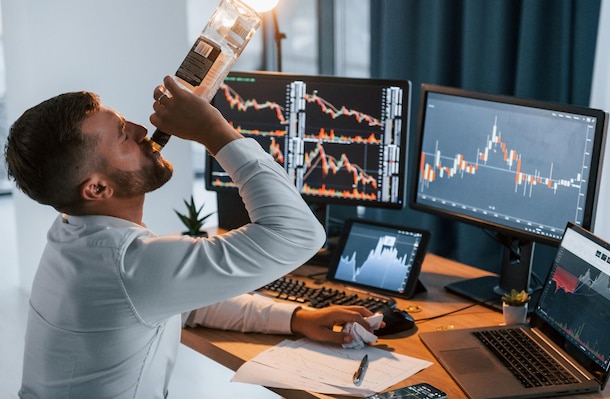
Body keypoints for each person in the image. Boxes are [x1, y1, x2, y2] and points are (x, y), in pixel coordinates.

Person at [4, 75, 375, 398]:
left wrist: (296, 318)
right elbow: (299, 233)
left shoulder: (71, 235)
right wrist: (214, 131)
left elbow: (185, 299)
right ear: (97, 188)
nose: (140, 130)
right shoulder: (129, 266)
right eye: (123, 136)